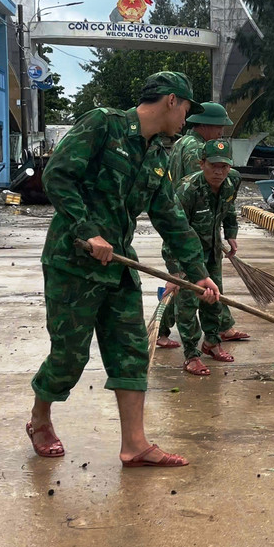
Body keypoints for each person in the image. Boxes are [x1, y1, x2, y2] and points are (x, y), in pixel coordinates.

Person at [26, 70, 221, 468]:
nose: (187, 118)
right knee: (69, 356)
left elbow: (170, 217)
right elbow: (58, 176)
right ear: (171, 100)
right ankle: (40, 418)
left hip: (118, 267)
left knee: (131, 351)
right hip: (72, 262)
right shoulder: (103, 124)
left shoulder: (157, 155)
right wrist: (88, 231)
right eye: (186, 107)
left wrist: (199, 272)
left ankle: (134, 444)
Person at [156, 101, 237, 349]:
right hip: (190, 226)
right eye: (219, 127)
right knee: (194, 287)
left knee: (180, 284)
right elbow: (205, 189)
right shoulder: (198, 150)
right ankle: (215, 331)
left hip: (184, 224)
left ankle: (162, 329)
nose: (221, 132)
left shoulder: (180, 142)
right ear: (206, 125)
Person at [164, 138, 246, 373]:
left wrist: (230, 233)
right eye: (213, 166)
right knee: (188, 303)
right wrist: (175, 269)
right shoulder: (187, 190)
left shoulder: (232, 182)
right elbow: (172, 231)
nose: (219, 172)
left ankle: (212, 342)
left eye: (224, 166)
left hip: (212, 251)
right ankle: (191, 354)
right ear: (202, 164)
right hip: (187, 255)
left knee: (214, 297)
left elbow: (229, 207)